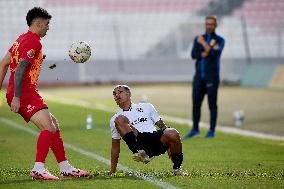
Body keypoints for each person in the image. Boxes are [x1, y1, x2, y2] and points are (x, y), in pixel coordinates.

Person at [0, 7, 90, 180]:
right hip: (24, 93)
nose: (48, 28)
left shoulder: (20, 40)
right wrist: (17, 97)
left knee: (52, 123)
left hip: (24, 92)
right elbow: (19, 70)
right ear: (38, 23)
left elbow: (4, 63)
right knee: (48, 127)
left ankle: (65, 167)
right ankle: (38, 168)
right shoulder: (34, 41)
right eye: (47, 24)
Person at [109, 85, 187, 176]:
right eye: (114, 94)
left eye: (120, 92)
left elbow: (163, 128)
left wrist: (170, 144)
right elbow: (115, 147)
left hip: (155, 139)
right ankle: (139, 152)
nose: (117, 95)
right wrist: (112, 170)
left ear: (129, 94)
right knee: (120, 119)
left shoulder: (147, 106)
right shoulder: (115, 119)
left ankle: (177, 169)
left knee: (172, 132)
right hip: (140, 141)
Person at [185, 15, 225, 138]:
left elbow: (215, 55)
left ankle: (211, 130)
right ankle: (195, 129)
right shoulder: (198, 38)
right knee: (196, 104)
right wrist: (205, 52)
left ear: (215, 25)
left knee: (212, 104)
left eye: (211, 24)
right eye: (207, 24)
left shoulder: (219, 40)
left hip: (212, 77)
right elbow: (193, 55)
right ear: (205, 25)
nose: (209, 26)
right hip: (198, 77)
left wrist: (204, 45)